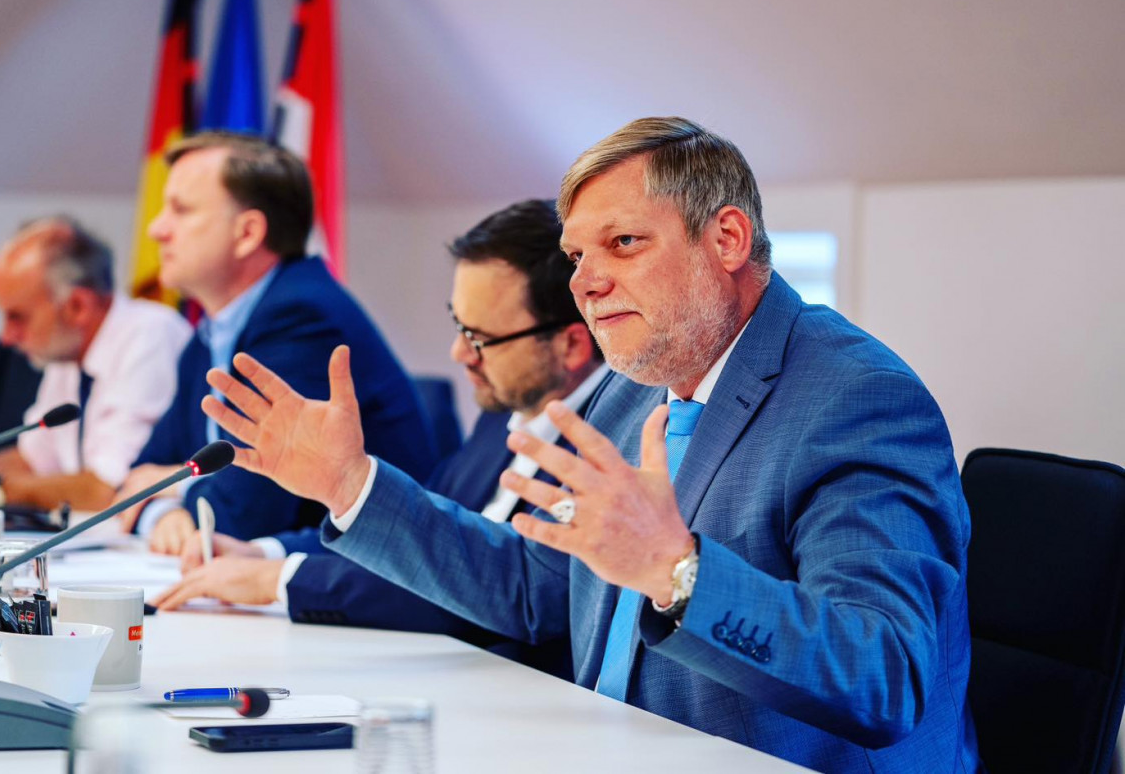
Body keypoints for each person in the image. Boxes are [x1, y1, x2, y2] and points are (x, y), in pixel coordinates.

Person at [199, 118, 981, 772]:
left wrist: (677, 573)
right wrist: (351, 485)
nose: (585, 282)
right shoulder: (633, 385)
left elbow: (883, 674)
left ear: (727, 238)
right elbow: (534, 585)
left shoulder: (857, 400)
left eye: (624, 243)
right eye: (578, 256)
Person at [156, 201, 606, 679]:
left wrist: (281, 578)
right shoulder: (503, 415)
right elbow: (428, 530)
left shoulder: (607, 447)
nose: (459, 353)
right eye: (458, 325)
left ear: (570, 346)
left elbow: (488, 590)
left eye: (479, 338)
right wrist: (270, 552)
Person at [116, 131, 437, 554]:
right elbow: (136, 480)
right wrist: (162, 512)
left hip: (366, 576)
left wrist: (174, 490)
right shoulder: (208, 335)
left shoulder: (301, 318)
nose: (156, 229)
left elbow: (243, 518)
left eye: (181, 210)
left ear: (247, 233)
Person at [0, 216, 191, 511]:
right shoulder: (68, 350)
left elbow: (109, 490)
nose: (7, 337)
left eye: (17, 317)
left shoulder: (151, 335)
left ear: (77, 307)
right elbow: (33, 459)